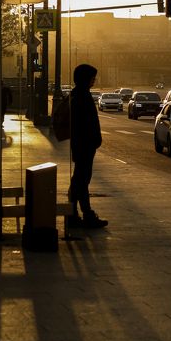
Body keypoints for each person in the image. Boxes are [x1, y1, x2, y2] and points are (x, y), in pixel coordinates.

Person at [68, 63, 108, 229]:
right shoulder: (82, 96)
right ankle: (83, 214)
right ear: (85, 79)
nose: (94, 80)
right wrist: (94, 140)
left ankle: (74, 213)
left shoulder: (78, 94)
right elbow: (86, 123)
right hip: (84, 144)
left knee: (79, 179)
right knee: (82, 179)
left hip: (82, 144)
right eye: (92, 77)